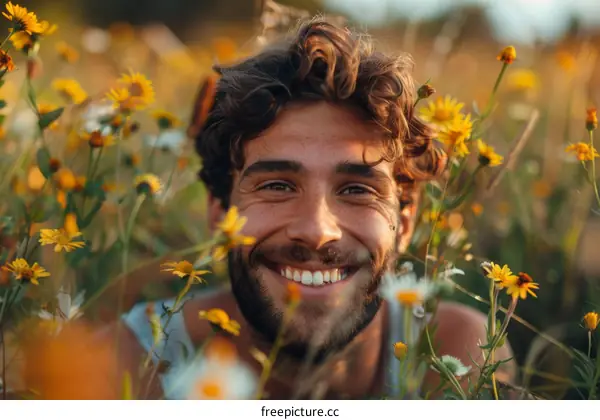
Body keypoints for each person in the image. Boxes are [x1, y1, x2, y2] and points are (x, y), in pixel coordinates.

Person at [107, 17, 516, 400]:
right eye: (278, 186)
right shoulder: (127, 369)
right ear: (219, 211)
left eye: (357, 190)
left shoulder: (460, 358)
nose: (317, 230)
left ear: (404, 223)